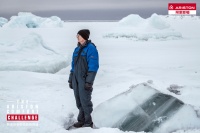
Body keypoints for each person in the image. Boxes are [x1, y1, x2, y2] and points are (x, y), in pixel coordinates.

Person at [68, 29, 99, 128]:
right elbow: (73, 66)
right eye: (77, 35)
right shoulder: (77, 49)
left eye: (79, 35)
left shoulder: (91, 48)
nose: (77, 37)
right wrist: (71, 79)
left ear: (84, 36)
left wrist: (89, 81)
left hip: (84, 79)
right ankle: (81, 120)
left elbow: (93, 66)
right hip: (76, 79)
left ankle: (88, 122)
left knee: (85, 101)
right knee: (78, 100)